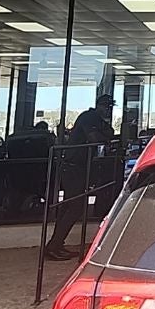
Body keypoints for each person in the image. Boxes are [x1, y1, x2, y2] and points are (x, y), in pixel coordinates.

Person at [44, 95, 115, 261]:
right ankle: (54, 245)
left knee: (70, 206)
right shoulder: (89, 117)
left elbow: (110, 132)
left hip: (78, 167)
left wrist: (105, 134)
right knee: (76, 206)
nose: (108, 110)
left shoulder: (97, 119)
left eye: (110, 107)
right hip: (72, 167)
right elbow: (95, 138)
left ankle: (55, 244)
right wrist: (105, 136)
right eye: (106, 106)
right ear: (99, 105)